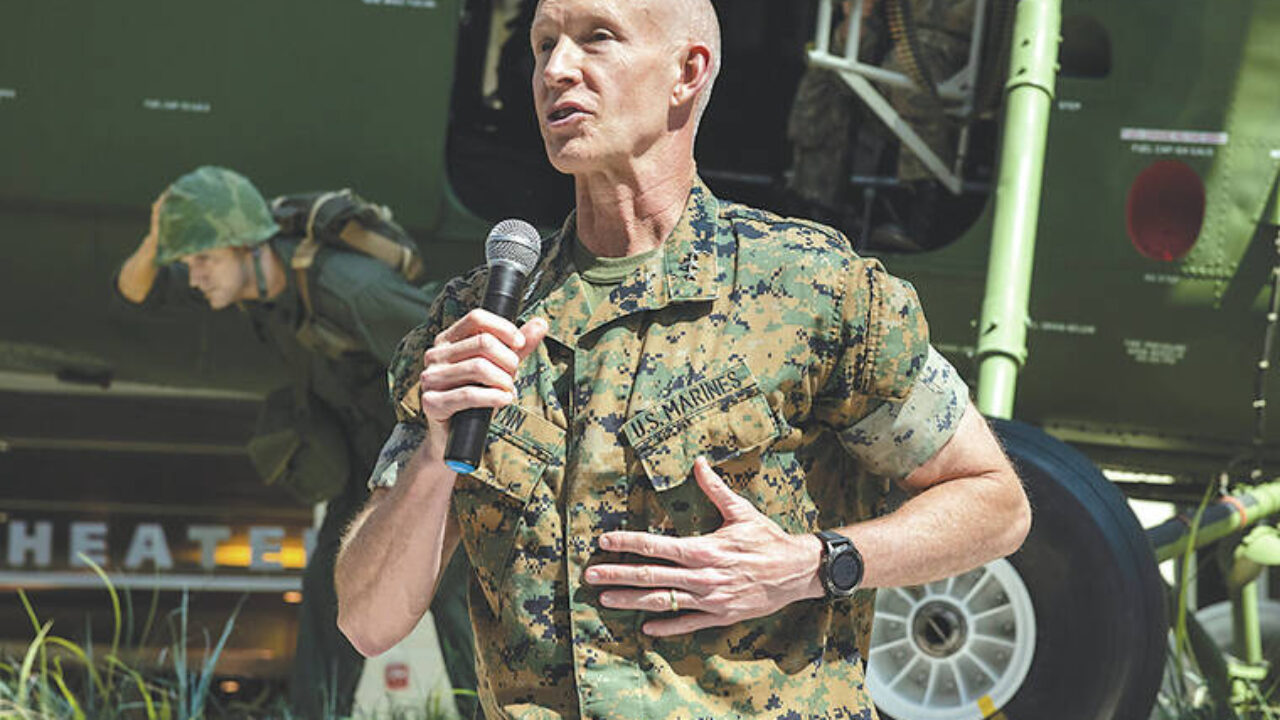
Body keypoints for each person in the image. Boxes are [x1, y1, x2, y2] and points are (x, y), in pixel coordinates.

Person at [336, 1, 1029, 718]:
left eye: (595, 38)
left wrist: (812, 565)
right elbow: (367, 619)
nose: (555, 70)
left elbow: (994, 503)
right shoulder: (480, 321)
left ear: (687, 72)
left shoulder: (811, 289)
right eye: (543, 45)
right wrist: (434, 456)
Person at [112, 166, 476, 718]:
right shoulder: (250, 283)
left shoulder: (348, 288)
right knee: (331, 600)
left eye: (203, 260)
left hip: (423, 464)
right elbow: (137, 290)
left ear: (245, 247)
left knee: (457, 609)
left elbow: (447, 360)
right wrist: (160, 234)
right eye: (189, 262)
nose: (193, 277)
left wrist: (440, 472)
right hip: (364, 464)